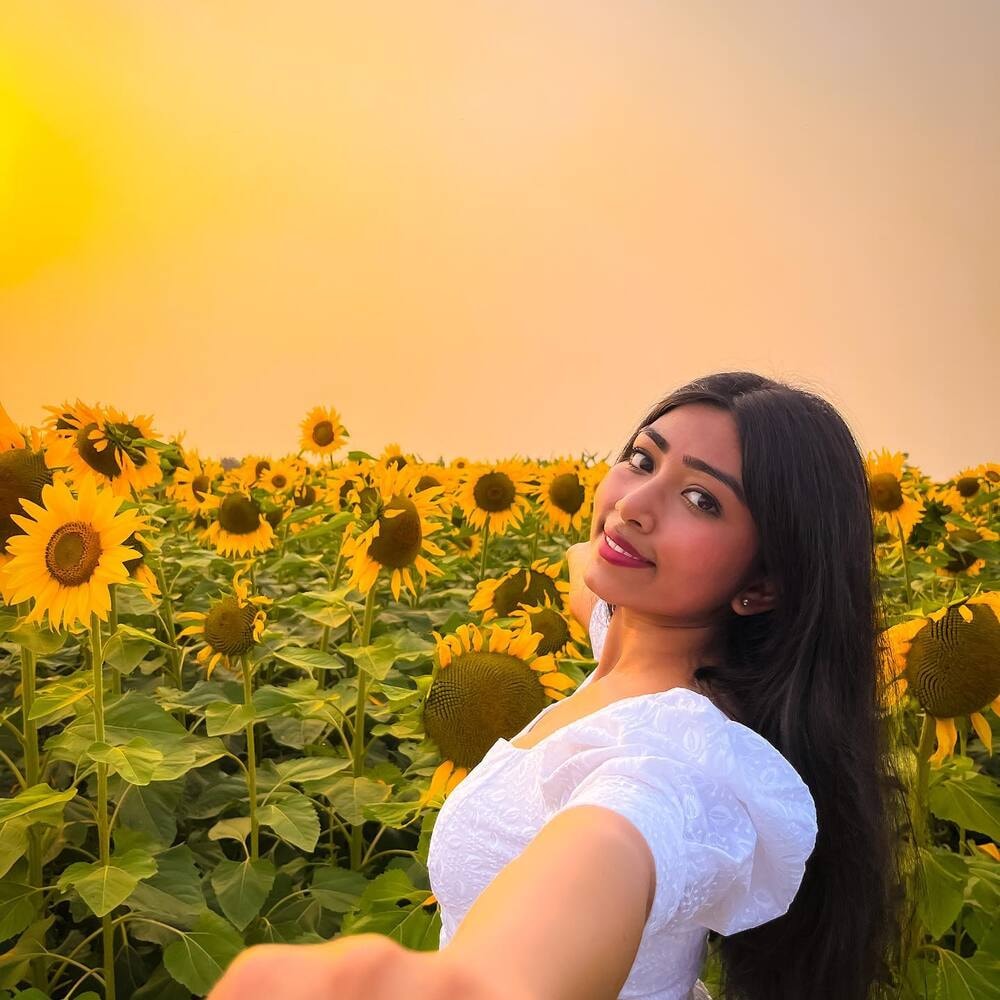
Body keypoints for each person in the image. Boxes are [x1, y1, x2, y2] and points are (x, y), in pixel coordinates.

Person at [210, 372, 912, 1000]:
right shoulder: (625, 641)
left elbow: (600, 860)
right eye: (642, 459)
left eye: (701, 499)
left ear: (760, 587)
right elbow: (587, 571)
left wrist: (460, 987)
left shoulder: (674, 767)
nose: (635, 503)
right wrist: (593, 558)